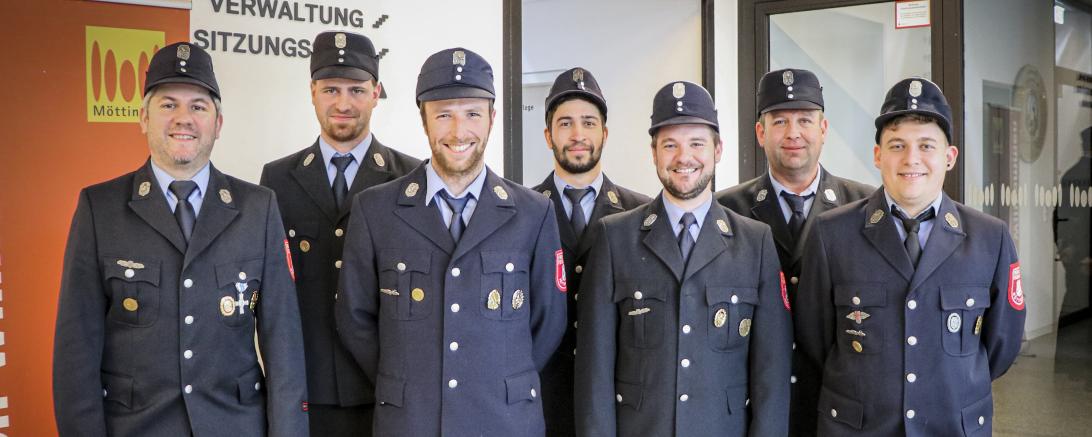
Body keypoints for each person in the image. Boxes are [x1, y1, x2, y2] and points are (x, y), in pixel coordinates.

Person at [53, 42, 308, 436]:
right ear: (143, 118)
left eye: (198, 106)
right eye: (168, 105)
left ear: (218, 123)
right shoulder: (99, 209)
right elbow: (76, 353)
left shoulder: (259, 208)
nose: (183, 118)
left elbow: (284, 347)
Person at [334, 47, 567, 436]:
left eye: (472, 113)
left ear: (492, 118)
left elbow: (548, 323)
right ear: (424, 120)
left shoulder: (533, 213)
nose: (459, 132)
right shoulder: (375, 210)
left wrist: (497, 380)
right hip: (411, 420)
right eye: (444, 114)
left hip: (504, 421)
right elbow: (355, 319)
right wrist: (408, 379)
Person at [795, 78, 1027, 436]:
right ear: (878, 156)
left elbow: (1001, 346)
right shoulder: (831, 234)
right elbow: (815, 339)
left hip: (952, 425)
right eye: (897, 145)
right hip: (858, 428)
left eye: (926, 145)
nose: (911, 159)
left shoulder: (989, 238)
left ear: (949, 157)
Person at [575, 80, 792, 437]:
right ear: (654, 153)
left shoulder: (756, 242)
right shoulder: (615, 237)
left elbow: (772, 374)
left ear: (718, 149)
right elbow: (594, 371)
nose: (683, 158)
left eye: (696, 144)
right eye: (670, 145)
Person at [259, 30, 419, 437]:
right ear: (313, 91)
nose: (343, 103)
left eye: (356, 89)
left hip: (387, 389)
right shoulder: (277, 180)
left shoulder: (411, 179)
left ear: (376, 92)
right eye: (331, 89)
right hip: (307, 390)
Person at [714, 68, 872, 435]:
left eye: (804, 119)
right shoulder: (725, 211)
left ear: (824, 129)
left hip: (838, 407)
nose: (793, 133)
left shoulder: (864, 208)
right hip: (754, 405)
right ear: (760, 132)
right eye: (780, 121)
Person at [530, 66, 650, 436]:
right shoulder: (522, 212)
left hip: (620, 402)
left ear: (605, 133)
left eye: (589, 122)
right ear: (549, 136)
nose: (578, 135)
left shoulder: (641, 215)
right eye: (565, 124)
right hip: (542, 401)